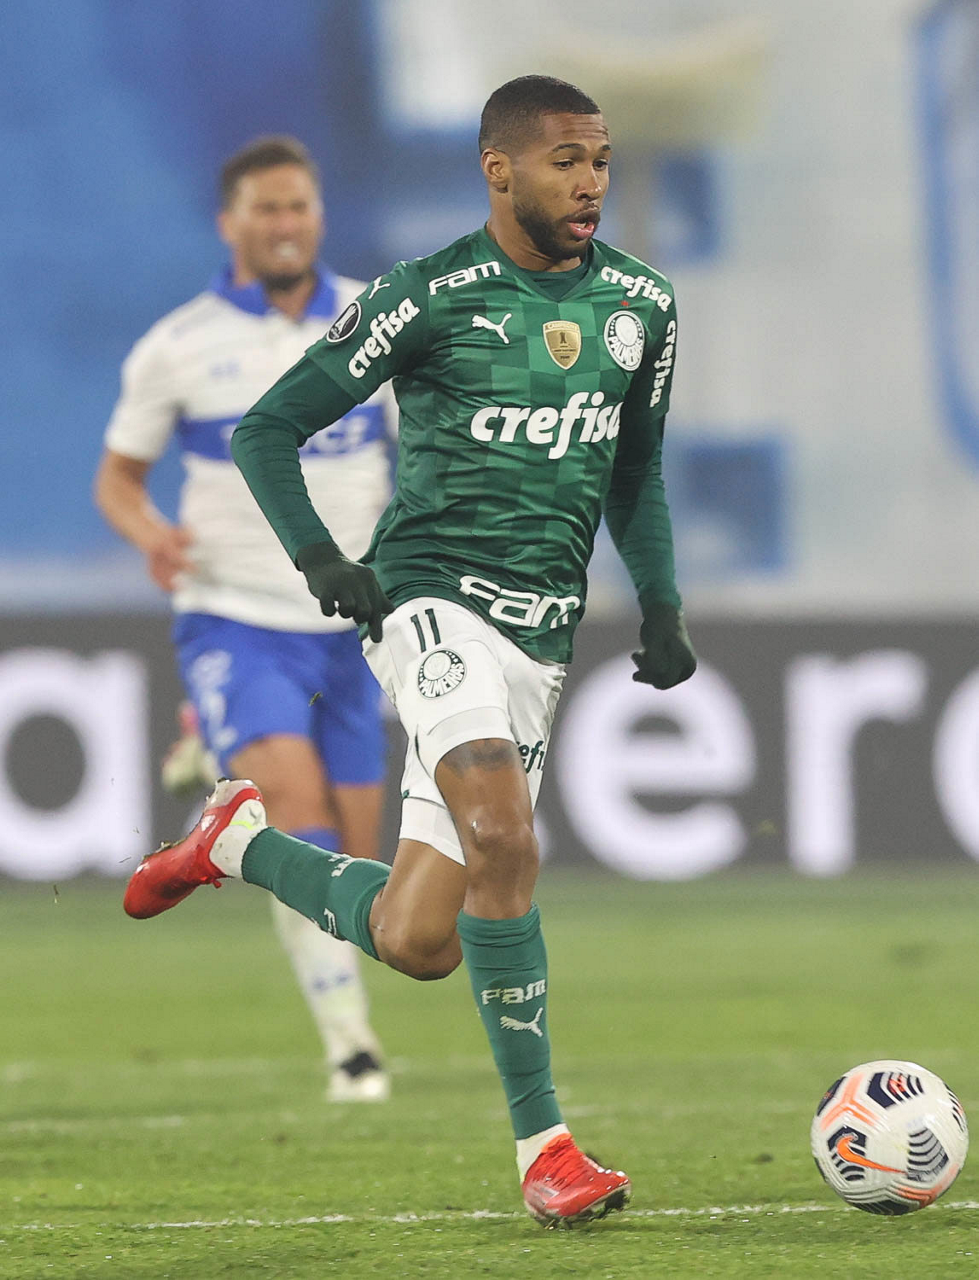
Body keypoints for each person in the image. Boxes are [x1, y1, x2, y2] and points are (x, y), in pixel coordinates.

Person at [123, 77, 697, 1225]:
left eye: (600, 159)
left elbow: (631, 469)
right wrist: (320, 558)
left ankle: (234, 842)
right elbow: (266, 428)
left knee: (419, 936)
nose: (590, 181)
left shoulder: (643, 303)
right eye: (566, 160)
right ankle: (546, 1149)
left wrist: (663, 606)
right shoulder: (428, 296)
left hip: (539, 632)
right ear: (498, 170)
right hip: (431, 599)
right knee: (504, 834)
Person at [96, 136, 394, 1103]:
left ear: (318, 215)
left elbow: (414, 452)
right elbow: (118, 479)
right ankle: (353, 1051)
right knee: (299, 825)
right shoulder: (177, 345)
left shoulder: (376, 323)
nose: (284, 224)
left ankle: (202, 741)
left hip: (352, 621)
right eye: (265, 208)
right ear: (230, 223)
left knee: (362, 857)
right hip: (235, 615)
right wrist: (151, 532)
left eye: (298, 205)